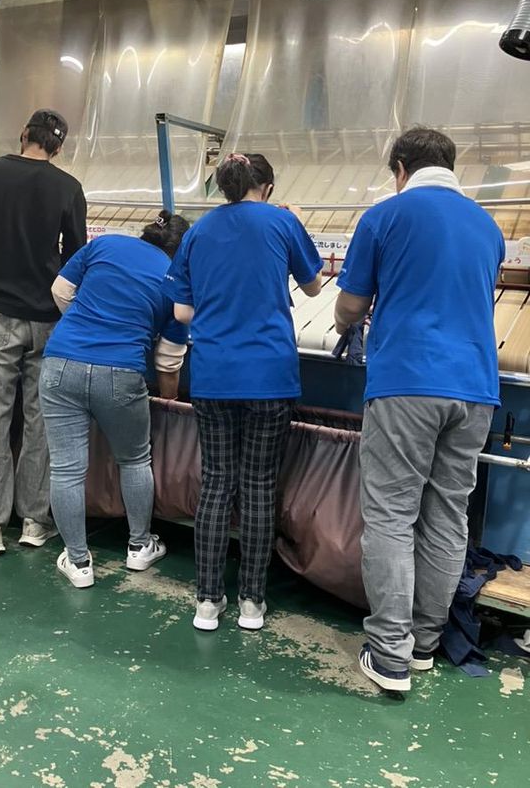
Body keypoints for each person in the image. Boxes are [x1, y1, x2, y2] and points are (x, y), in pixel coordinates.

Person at [334, 127, 504, 694]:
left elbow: (351, 304)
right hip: (476, 388)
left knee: (391, 514)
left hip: (408, 380)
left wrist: (347, 319)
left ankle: (389, 654)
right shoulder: (488, 226)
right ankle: (426, 644)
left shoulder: (385, 216)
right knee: (448, 515)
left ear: (401, 169)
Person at [164, 153, 323, 632]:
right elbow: (314, 287)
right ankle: (252, 602)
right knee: (258, 486)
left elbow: (181, 313)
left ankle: (207, 601)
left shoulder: (197, 232)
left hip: (214, 375)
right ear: (267, 187)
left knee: (216, 483)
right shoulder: (282, 222)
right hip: (269, 375)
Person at [0, 109, 87, 557]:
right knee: (39, 421)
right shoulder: (69, 187)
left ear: (24, 133)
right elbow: (77, 259)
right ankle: (34, 522)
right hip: (48, 320)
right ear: (58, 147)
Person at [39, 211, 191, 589]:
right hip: (121, 371)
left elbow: (60, 290)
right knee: (134, 460)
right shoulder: (175, 280)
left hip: (61, 362)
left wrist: (85, 324)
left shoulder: (104, 245)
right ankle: (139, 546)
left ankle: (78, 562)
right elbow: (168, 360)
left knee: (66, 469)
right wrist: (168, 398)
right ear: (180, 250)